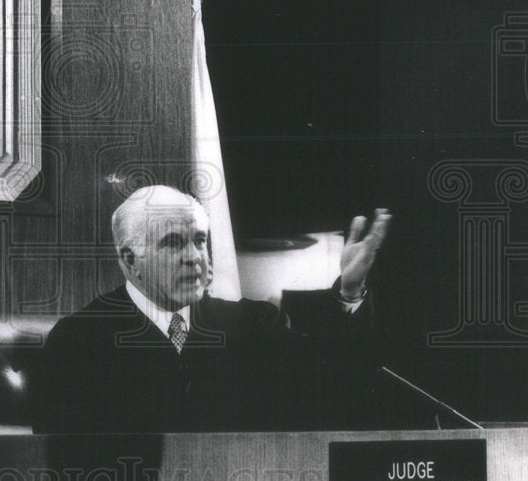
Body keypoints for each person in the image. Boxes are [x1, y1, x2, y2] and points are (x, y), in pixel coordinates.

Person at [36, 185, 392, 433]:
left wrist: (348, 290)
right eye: (174, 243)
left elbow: (329, 386)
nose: (194, 257)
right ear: (131, 261)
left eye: (200, 240)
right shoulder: (79, 342)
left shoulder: (252, 325)